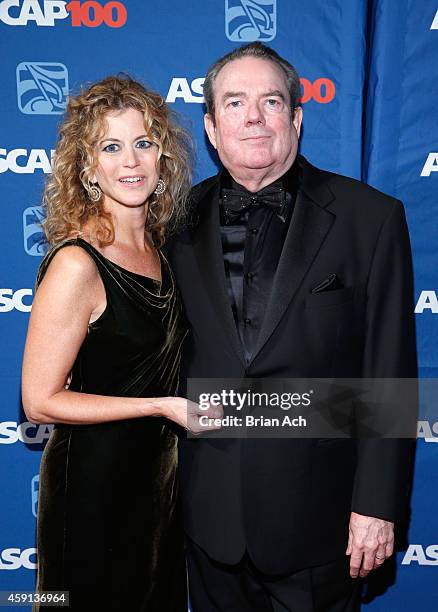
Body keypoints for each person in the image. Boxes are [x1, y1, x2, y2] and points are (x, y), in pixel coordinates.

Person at [166, 43, 417, 611]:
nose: (252, 116)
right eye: (234, 102)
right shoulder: (172, 224)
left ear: (296, 117)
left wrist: (376, 506)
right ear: (210, 125)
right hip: (209, 525)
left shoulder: (369, 219)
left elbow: (388, 370)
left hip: (320, 526)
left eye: (270, 101)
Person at [21, 75, 215, 612]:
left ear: (163, 158)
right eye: (111, 146)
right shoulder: (76, 263)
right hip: (92, 485)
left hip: (157, 485)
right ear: (88, 167)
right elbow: (39, 400)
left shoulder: (164, 248)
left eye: (143, 143)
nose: (130, 161)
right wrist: (158, 406)